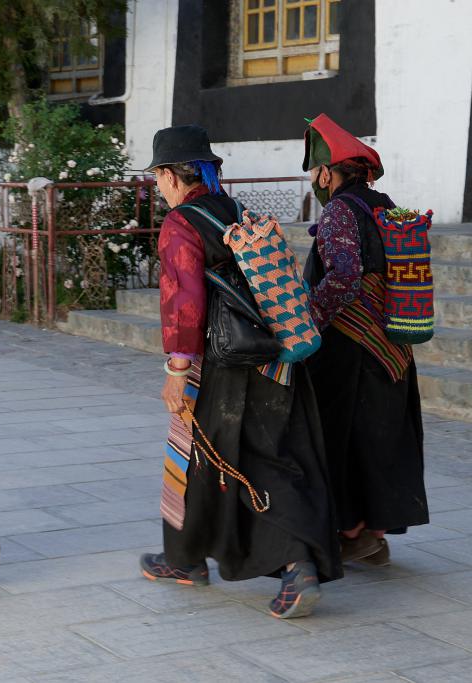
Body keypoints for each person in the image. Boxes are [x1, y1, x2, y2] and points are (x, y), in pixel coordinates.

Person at [138, 124, 341, 618]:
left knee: (245, 459)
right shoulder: (236, 211)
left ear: (170, 175)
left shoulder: (181, 223)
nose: (157, 188)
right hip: (273, 354)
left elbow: (183, 301)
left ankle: (298, 566)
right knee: (213, 455)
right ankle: (185, 556)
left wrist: (177, 369)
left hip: (223, 364)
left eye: (158, 178)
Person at [301, 113, 429, 565]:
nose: (315, 180)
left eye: (317, 170)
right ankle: (375, 533)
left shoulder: (340, 211)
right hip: (394, 345)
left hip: (350, 346)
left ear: (329, 171)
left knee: (343, 437)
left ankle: (352, 532)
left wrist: (306, 319)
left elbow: (344, 274)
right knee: (382, 437)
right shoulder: (387, 206)